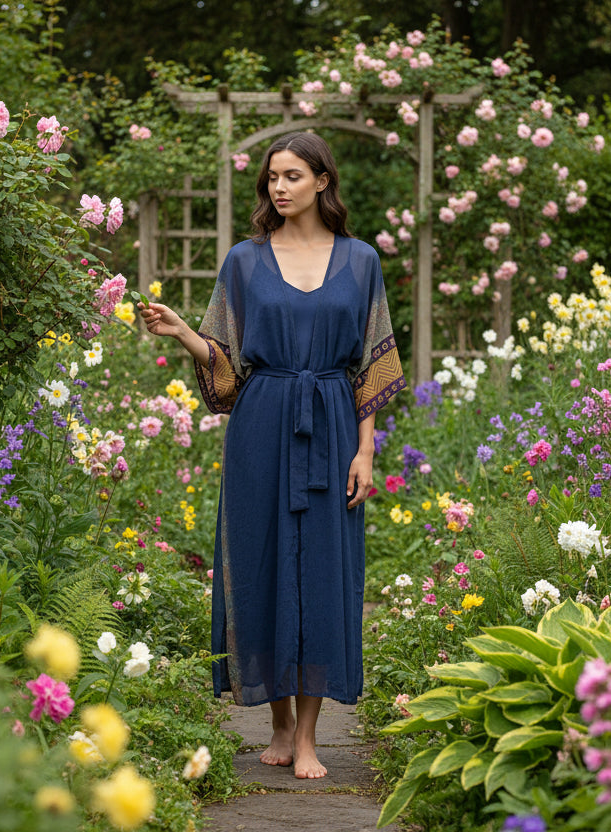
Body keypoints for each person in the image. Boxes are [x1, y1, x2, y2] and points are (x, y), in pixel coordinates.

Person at [139, 131, 406, 779]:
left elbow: (372, 370)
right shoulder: (244, 262)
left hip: (334, 428)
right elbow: (227, 366)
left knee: (323, 574)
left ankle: (311, 736)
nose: (278, 188)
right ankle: (280, 725)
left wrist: (366, 454)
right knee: (259, 568)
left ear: (322, 181)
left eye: (291, 176)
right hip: (261, 426)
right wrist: (183, 334)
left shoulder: (361, 261)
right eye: (271, 179)